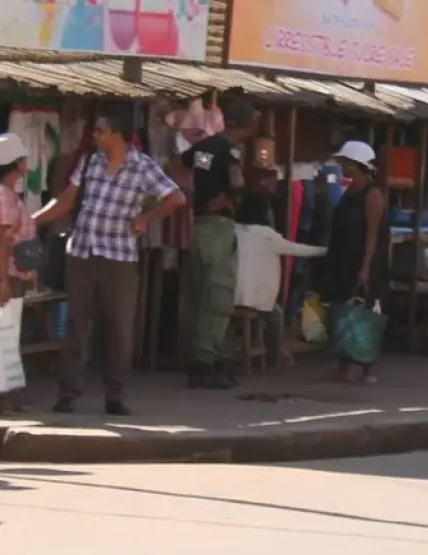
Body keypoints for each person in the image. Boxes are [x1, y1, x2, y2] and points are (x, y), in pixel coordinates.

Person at [34, 103, 186, 415]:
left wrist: (148, 217)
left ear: (119, 135)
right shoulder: (90, 162)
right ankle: (69, 393)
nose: (96, 136)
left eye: (101, 131)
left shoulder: (142, 166)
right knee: (77, 325)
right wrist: (30, 220)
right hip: (82, 252)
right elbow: (65, 201)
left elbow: (177, 197)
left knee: (118, 330)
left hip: (119, 258)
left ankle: (115, 394)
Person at [182, 96, 259, 390]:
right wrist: (227, 198)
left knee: (200, 293)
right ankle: (204, 362)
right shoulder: (229, 150)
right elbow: (237, 182)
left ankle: (204, 357)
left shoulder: (206, 148)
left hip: (198, 226)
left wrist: (200, 196)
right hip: (217, 227)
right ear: (248, 123)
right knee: (218, 295)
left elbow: (193, 167)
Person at [323, 140, 387, 384]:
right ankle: (343, 363)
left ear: (358, 166)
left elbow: (372, 234)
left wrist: (365, 267)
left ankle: (366, 365)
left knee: (366, 313)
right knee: (342, 311)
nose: (342, 167)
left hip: (363, 261)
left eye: (346, 163)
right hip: (342, 260)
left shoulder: (372, 195)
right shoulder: (347, 191)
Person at [234, 202, 327, 369]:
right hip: (254, 298)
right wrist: (325, 251)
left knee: (262, 315)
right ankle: (274, 358)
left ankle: (256, 348)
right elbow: (297, 249)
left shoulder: (235, 231)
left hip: (232, 295)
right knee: (276, 315)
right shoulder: (268, 236)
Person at [0, 134, 37, 412]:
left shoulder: (10, 196)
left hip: (15, 275)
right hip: (7, 277)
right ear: (18, 164)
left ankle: (8, 393)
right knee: (5, 335)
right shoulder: (4, 197)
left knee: (8, 335)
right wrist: (2, 281)